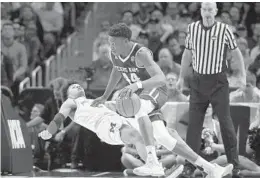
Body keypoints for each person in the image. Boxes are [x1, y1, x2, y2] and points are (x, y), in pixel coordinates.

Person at [91, 23, 233, 178]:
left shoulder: (141, 53)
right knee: (164, 137)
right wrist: (105, 96)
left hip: (157, 90)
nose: (110, 45)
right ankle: (211, 169)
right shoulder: (114, 54)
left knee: (138, 107)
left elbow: (161, 78)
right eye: (109, 41)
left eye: (114, 42)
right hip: (141, 96)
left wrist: (136, 85)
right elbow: (117, 70)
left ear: (125, 41)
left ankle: (152, 162)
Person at [176, 2, 246, 178]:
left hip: (218, 82)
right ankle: (189, 165)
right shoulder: (192, 28)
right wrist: (180, 78)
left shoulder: (224, 29)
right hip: (198, 81)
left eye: (210, 10)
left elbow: (236, 53)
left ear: (215, 12)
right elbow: (187, 53)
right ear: (201, 11)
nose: (207, 12)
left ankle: (234, 165)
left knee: (226, 122)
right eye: (204, 9)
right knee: (194, 125)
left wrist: (242, 75)